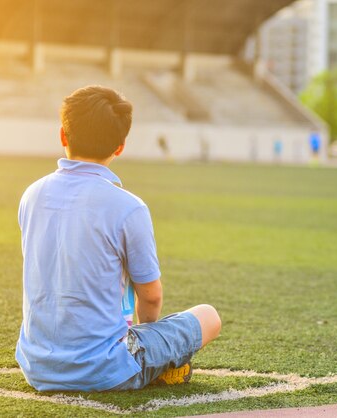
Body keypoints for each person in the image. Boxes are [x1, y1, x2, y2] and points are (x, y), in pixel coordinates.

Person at [15, 85, 221, 392]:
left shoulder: (31, 195)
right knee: (209, 316)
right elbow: (150, 296)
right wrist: (147, 336)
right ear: (120, 147)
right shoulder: (128, 207)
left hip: (37, 367)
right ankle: (157, 367)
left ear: (63, 135)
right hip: (104, 368)